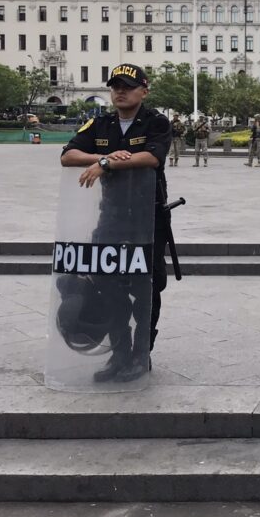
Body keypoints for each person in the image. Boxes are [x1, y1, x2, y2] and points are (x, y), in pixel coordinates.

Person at [60, 63, 173, 383]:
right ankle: (120, 353)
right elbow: (68, 155)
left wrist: (108, 161)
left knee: (146, 287)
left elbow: (152, 158)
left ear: (144, 91)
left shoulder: (156, 122)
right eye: (115, 86)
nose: (120, 91)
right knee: (106, 283)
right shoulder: (100, 123)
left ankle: (141, 354)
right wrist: (103, 158)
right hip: (109, 217)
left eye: (127, 86)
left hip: (146, 218)